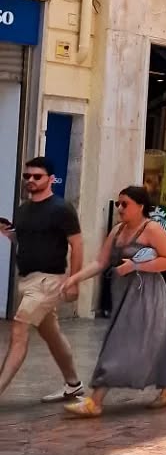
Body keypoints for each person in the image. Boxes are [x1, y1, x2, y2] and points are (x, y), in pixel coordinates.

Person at [59, 185, 166, 417]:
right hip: (123, 293)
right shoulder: (117, 231)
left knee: (118, 342)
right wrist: (75, 278)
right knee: (154, 342)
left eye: (125, 204)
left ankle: (95, 400)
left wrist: (135, 265)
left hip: (147, 294)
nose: (120, 208)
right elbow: (101, 262)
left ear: (141, 206)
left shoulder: (152, 230)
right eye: (118, 204)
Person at [0, 155, 85, 405]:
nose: (31, 180)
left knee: (19, 330)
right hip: (27, 280)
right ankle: (73, 384)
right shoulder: (23, 209)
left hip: (49, 280)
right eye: (27, 176)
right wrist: (9, 234)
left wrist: (74, 281)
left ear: (50, 179)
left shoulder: (62, 208)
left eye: (37, 176)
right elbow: (25, 241)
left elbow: (77, 245)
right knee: (52, 334)